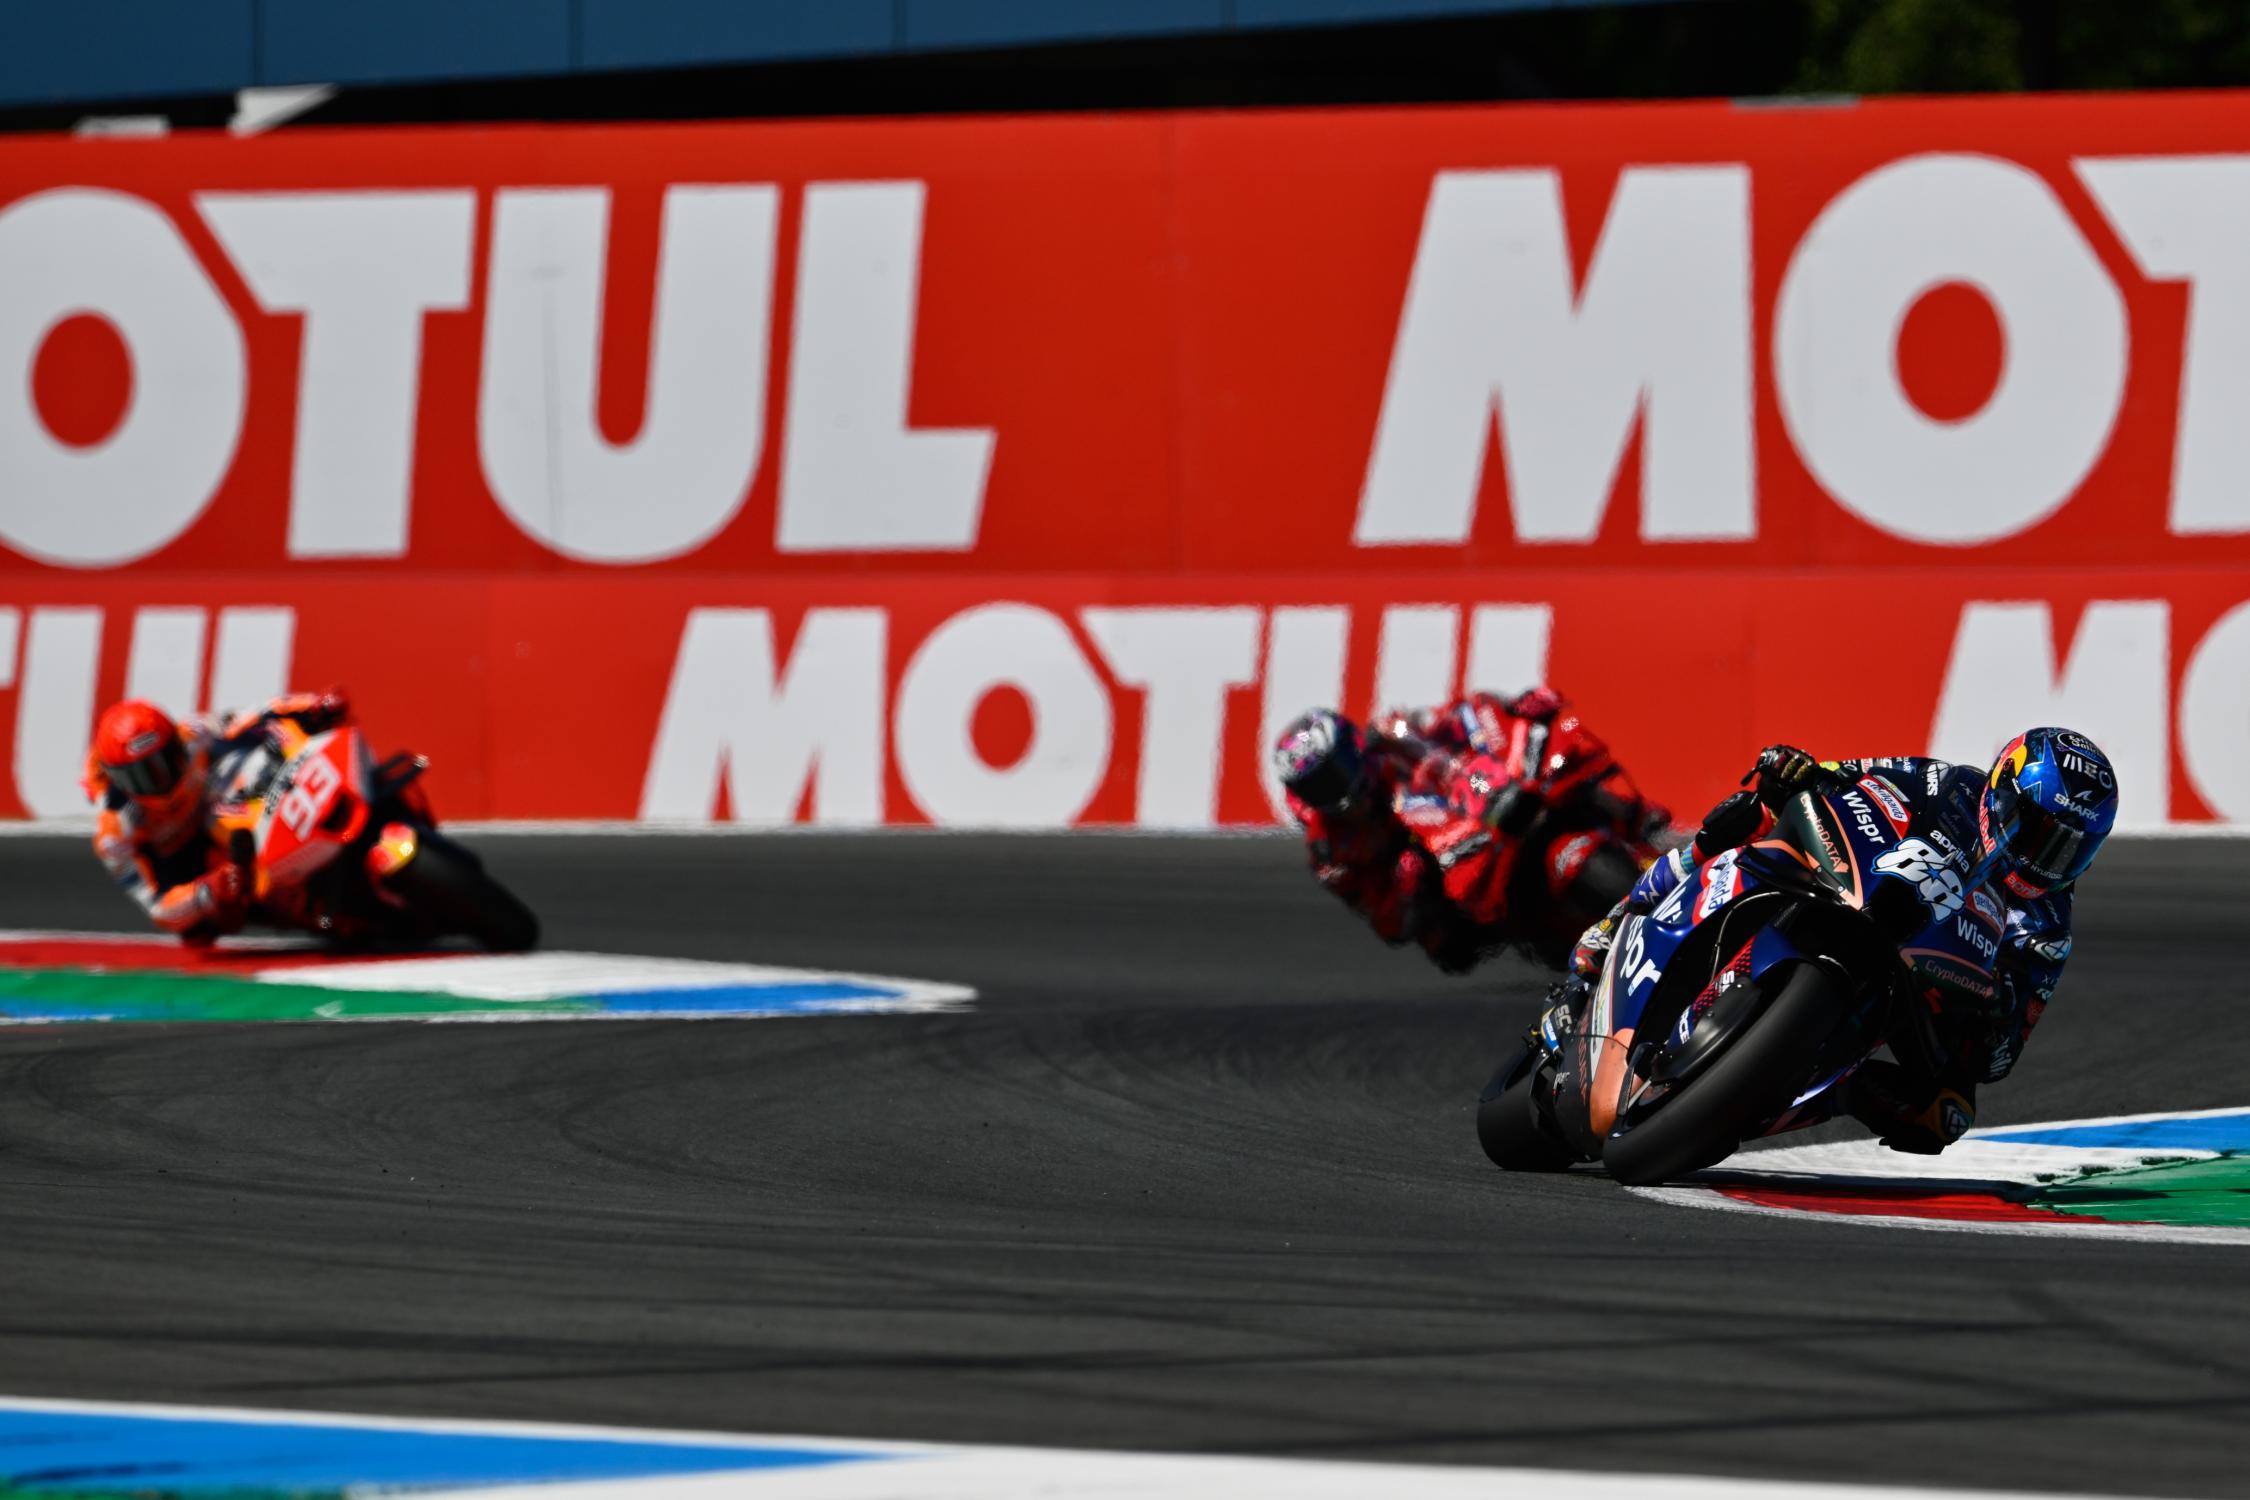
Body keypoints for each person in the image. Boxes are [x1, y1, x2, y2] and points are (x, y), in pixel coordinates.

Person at [1555, 729, 2117, 1154]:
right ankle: (1624, 916)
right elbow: (1844, 774)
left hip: (1914, 990)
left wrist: (1997, 1007)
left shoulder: (2047, 927)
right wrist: (1797, 768)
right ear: (2004, 796)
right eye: (2040, 833)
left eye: (2072, 849)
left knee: (1947, 1116)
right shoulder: (1949, 785)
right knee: (1754, 811)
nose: (2049, 859)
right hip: (1856, 890)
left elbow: (1999, 1059)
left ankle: (1819, 1090)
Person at [1272, 688, 1667, 974]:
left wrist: (1514, 711)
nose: (1338, 784)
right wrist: (1407, 891)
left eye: (1337, 767)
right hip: (1440, 888)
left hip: (1478, 809)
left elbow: (1454, 723)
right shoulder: (1331, 849)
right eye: (1320, 784)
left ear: (1353, 747)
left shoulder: (1391, 742)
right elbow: (1386, 924)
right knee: (1453, 944)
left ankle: (1626, 813)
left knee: (1557, 759)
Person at [85, 690, 352, 944]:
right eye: (142, 776)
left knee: (261, 748)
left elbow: (251, 716)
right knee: (203, 928)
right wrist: (206, 891)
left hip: (216, 804)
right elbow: (157, 906)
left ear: (175, 742)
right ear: (118, 781)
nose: (160, 780)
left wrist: (313, 705)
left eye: (165, 761)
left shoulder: (191, 733)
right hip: (184, 864)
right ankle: (323, 916)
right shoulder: (114, 832)